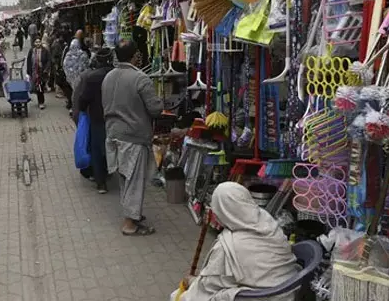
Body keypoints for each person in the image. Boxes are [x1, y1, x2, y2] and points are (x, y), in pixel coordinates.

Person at [171, 182, 299, 301]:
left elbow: (208, 288)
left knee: (176, 296)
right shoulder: (267, 221)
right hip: (287, 291)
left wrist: (190, 284)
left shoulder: (227, 246)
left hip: (260, 296)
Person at [101, 40, 162, 236]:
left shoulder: (108, 76)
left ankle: (133, 214)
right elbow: (155, 109)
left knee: (125, 178)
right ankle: (129, 223)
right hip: (133, 136)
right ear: (135, 56)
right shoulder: (140, 78)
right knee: (135, 180)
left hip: (113, 134)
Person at [78, 48, 114, 194]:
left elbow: (83, 99)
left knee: (97, 150)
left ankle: (101, 182)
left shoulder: (93, 77)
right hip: (116, 117)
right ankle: (113, 172)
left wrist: (81, 111)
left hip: (98, 118)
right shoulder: (116, 75)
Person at [26, 38, 50, 110]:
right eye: (36, 42)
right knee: (38, 87)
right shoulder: (31, 51)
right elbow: (28, 61)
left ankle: (41, 101)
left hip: (42, 72)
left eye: (39, 42)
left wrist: (46, 69)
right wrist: (29, 71)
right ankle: (40, 101)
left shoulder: (45, 51)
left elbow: (49, 60)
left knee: (40, 87)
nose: (38, 43)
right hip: (34, 72)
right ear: (34, 43)